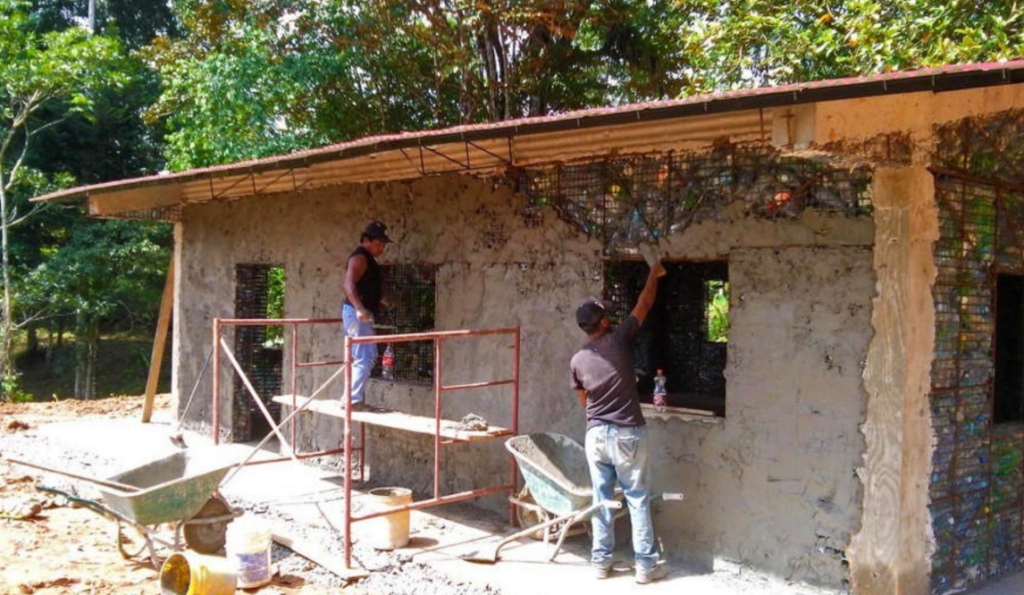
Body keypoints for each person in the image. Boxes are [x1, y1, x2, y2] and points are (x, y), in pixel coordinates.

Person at [569, 260, 667, 584]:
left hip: (595, 435)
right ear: (605, 320)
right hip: (627, 433)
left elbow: (584, 401)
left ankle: (600, 563)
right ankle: (646, 567)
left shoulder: (579, 360)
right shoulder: (622, 338)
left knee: (602, 499)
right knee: (637, 498)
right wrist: (653, 273)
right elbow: (645, 303)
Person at [342, 221, 391, 407]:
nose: (382, 248)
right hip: (357, 314)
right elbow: (348, 285)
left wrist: (377, 299)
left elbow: (363, 285)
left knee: (356, 356)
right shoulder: (360, 258)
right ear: (366, 240)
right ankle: (352, 400)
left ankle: (351, 397)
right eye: (379, 244)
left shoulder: (367, 259)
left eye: (383, 244)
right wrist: (360, 308)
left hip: (356, 312)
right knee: (366, 356)